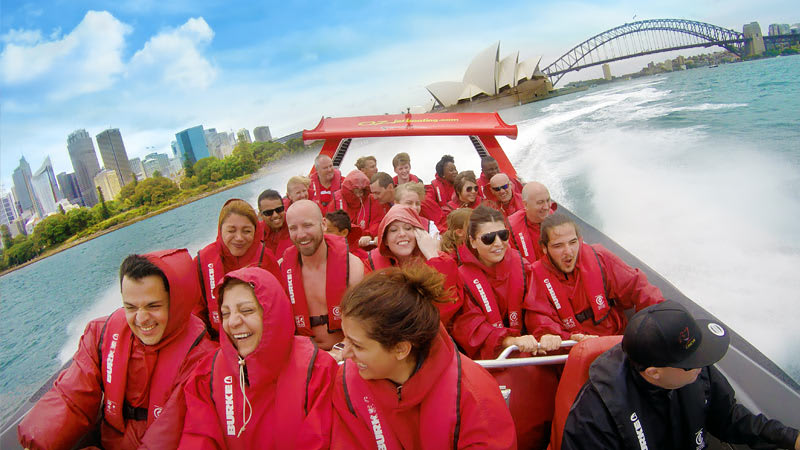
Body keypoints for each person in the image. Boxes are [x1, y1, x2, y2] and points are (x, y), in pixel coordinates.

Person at [18, 249, 215, 450]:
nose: (141, 318)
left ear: (175, 303)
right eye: (131, 307)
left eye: (153, 306)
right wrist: (36, 442)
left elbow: (169, 435)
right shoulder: (99, 334)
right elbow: (71, 397)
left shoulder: (201, 359)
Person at [561, 301, 800, 450]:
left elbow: (729, 418)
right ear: (654, 372)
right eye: (691, 363)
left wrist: (790, 438)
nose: (702, 365)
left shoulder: (696, 371)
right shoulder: (593, 418)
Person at [331, 265, 517, 449]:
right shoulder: (348, 383)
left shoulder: (474, 395)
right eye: (345, 338)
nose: (345, 353)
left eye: (357, 345)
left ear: (401, 349)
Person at [179, 267, 337, 449]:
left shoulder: (318, 371)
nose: (233, 322)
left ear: (273, 313)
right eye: (225, 313)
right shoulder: (206, 378)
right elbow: (197, 439)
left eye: (246, 310)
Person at [451, 205, 558, 449]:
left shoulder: (522, 266)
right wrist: (508, 340)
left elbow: (538, 307)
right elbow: (467, 325)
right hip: (489, 363)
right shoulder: (460, 278)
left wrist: (545, 333)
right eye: (488, 238)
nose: (498, 243)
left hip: (531, 353)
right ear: (473, 241)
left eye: (503, 235)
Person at [524, 213, 664, 347]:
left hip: (617, 341)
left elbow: (637, 286)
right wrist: (565, 337)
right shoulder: (536, 275)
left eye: (572, 242)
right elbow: (539, 320)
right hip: (574, 350)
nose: (568, 252)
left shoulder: (600, 257)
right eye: (558, 246)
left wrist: (659, 318)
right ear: (544, 248)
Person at [281, 200, 366, 360]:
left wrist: (338, 354)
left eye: (307, 225)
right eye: (293, 228)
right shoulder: (283, 271)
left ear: (323, 224)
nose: (300, 234)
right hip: (303, 357)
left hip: (346, 353)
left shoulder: (352, 266)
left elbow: (364, 323)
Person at [365, 204, 463, 327]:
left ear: (419, 233)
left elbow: (448, 303)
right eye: (393, 230)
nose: (402, 234)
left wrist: (432, 257)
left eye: (408, 228)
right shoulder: (370, 265)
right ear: (385, 239)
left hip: (432, 332)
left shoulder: (442, 260)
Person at [195, 199, 280, 337]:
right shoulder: (202, 262)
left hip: (263, 339)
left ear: (255, 231)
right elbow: (196, 313)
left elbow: (280, 304)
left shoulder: (266, 259)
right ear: (220, 230)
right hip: (220, 344)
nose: (239, 237)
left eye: (246, 231)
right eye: (231, 230)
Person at [507, 181, 556, 265]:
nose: (546, 207)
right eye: (540, 202)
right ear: (525, 204)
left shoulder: (555, 219)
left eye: (548, 200)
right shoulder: (511, 230)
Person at [331, 169, 383, 235]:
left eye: (361, 191)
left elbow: (377, 222)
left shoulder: (372, 200)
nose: (359, 195)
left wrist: (369, 234)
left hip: (366, 241)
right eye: (356, 192)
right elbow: (331, 224)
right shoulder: (337, 201)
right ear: (349, 191)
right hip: (343, 240)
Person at [355, 172, 394, 247]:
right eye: (373, 193)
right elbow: (376, 224)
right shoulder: (376, 201)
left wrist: (384, 237)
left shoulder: (407, 201)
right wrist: (370, 236)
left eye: (378, 193)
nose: (375, 197)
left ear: (390, 187)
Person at [257, 189, 293, 259]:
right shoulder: (255, 234)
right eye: (268, 212)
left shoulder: (296, 224)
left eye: (279, 209)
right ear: (260, 215)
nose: (275, 215)